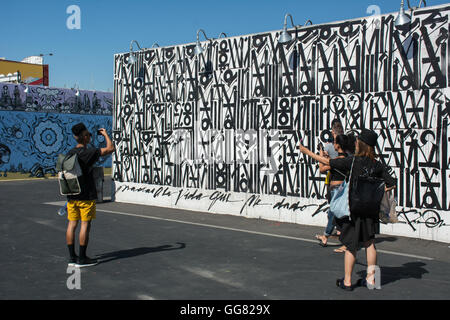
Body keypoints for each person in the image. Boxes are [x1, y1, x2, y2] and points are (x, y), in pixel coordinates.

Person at [299, 128, 396, 291]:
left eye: (358, 141)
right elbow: (391, 183)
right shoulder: (377, 164)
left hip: (353, 209)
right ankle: (372, 280)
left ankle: (348, 282)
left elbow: (328, 163)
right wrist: (375, 193)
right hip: (370, 210)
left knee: (351, 245)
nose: (355, 143)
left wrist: (306, 151)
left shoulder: (353, 161)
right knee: (370, 243)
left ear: (362, 144)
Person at [66, 123, 115, 267]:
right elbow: (110, 148)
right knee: (85, 224)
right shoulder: (89, 152)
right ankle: (82, 258)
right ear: (85, 137)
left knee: (72, 224)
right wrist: (105, 134)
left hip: (72, 195)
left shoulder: (70, 153)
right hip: (85, 195)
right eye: (88, 135)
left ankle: (72, 258)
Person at [315, 134, 350, 248]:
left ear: (338, 145)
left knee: (336, 214)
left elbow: (321, 169)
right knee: (332, 214)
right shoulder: (348, 158)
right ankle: (326, 236)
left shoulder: (339, 160)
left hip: (337, 190)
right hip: (341, 189)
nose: (332, 144)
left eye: (334, 142)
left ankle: (346, 243)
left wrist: (320, 155)